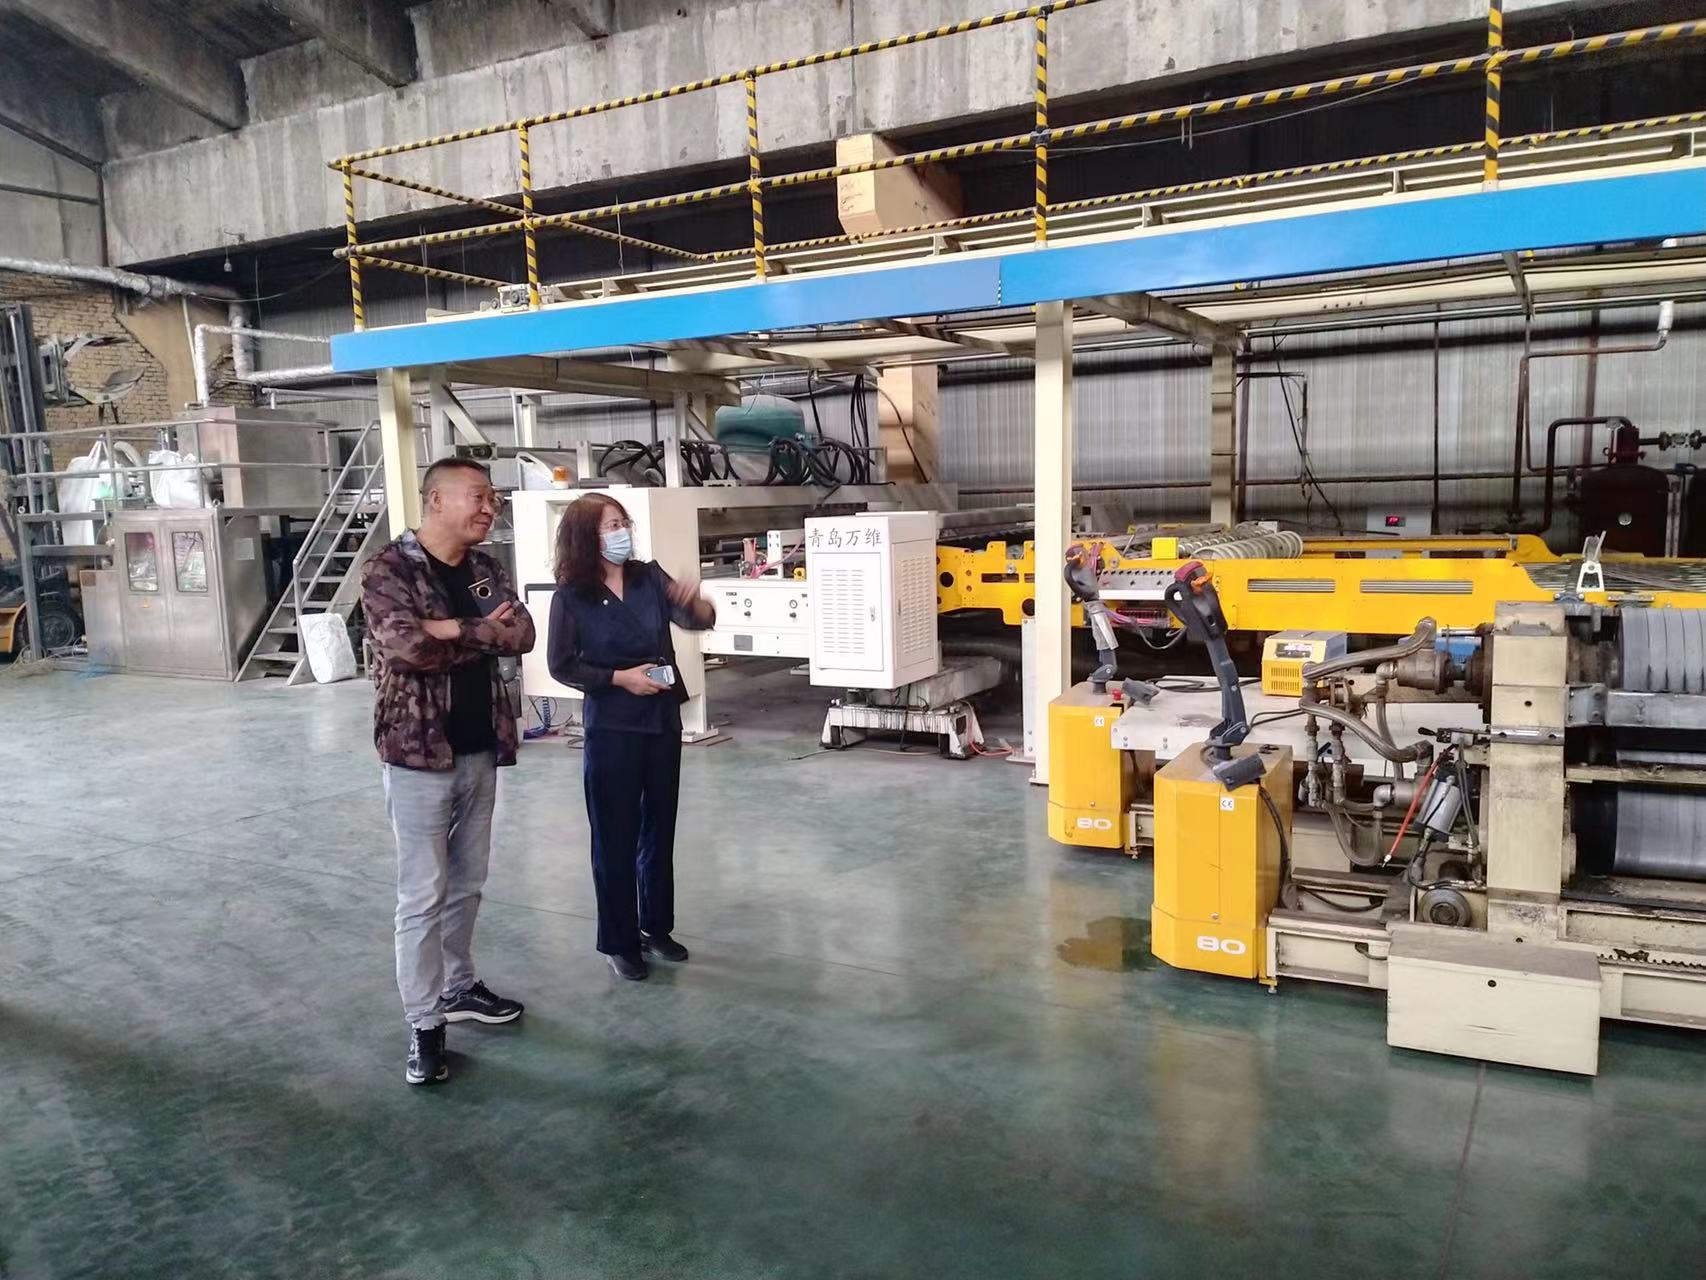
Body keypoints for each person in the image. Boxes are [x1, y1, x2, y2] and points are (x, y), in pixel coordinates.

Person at [360, 458, 536, 1086]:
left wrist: (450, 630)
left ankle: (458, 987)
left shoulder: (485, 569)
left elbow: (522, 635)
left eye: (493, 499)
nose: (490, 508)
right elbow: (407, 648)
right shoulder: (389, 569)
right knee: (422, 894)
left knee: (467, 883)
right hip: (417, 754)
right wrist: (478, 630)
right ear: (435, 500)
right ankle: (424, 1022)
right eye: (479, 496)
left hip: (480, 746)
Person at [547, 494, 715, 981]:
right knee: (614, 835)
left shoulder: (648, 577)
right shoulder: (572, 596)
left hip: (660, 719)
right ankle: (619, 941)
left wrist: (696, 603)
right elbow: (562, 664)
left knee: (660, 828)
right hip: (613, 725)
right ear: (586, 537)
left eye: (623, 523)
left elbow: (696, 620)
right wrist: (621, 679)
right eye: (610, 526)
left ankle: (656, 927)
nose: (621, 533)